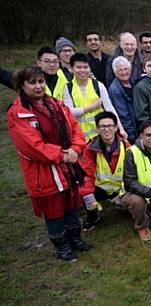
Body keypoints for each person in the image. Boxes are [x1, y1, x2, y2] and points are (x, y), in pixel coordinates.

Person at [8, 65, 92, 261]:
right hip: (44, 170)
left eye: (41, 82)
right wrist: (63, 154)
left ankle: (76, 239)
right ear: (22, 85)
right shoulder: (18, 113)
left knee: (71, 202)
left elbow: (75, 128)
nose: (38, 86)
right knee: (53, 209)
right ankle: (62, 247)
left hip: (67, 164)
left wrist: (75, 149)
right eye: (33, 82)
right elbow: (32, 146)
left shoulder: (57, 105)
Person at [78, 111, 131, 231]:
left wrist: (122, 194)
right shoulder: (90, 149)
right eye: (102, 126)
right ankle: (93, 217)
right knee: (84, 193)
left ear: (116, 128)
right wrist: (87, 194)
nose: (106, 129)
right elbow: (87, 173)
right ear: (97, 129)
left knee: (132, 201)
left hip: (122, 188)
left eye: (110, 126)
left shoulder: (126, 146)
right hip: (101, 188)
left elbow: (132, 174)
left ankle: (123, 204)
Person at [63, 53, 123, 142]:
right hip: (79, 137)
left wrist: (121, 129)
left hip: (100, 136)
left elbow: (109, 108)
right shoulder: (68, 88)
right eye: (79, 67)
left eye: (85, 67)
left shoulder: (98, 86)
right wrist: (91, 108)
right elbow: (69, 112)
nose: (82, 70)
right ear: (72, 68)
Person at [108, 57, 137, 142]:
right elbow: (122, 115)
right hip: (130, 131)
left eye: (126, 69)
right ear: (115, 72)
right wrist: (131, 135)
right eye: (120, 70)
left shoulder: (133, 82)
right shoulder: (114, 90)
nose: (124, 72)